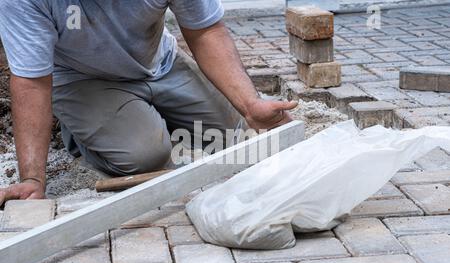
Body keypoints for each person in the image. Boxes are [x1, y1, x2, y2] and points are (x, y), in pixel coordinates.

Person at [0, 0, 297, 204]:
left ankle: (139, 113)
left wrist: (249, 104)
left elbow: (205, 30)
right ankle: (79, 130)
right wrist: (33, 179)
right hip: (82, 78)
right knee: (146, 156)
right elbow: (32, 82)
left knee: (240, 139)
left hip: (159, 62)